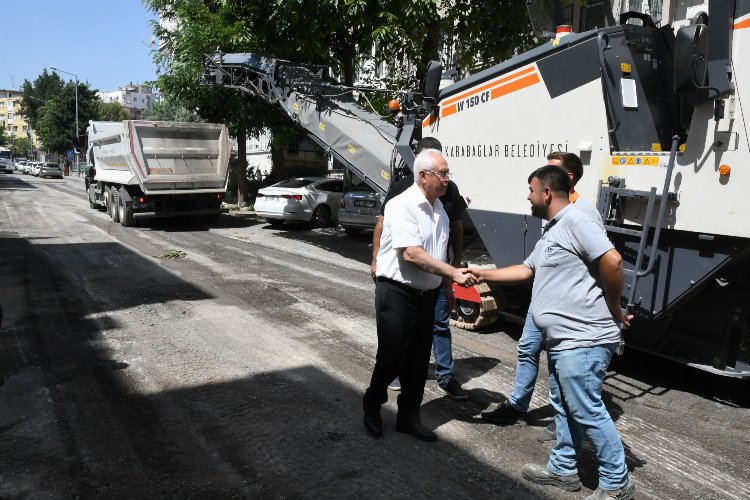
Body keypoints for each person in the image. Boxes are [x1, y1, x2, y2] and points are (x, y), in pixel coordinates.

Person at [471, 166, 635, 499]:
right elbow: (525, 269)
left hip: (584, 337)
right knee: (566, 407)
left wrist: (614, 307)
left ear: (546, 192)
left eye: (530, 190)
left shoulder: (576, 221)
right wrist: (481, 273)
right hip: (562, 340)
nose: (527, 197)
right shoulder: (553, 231)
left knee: (586, 408)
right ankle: (563, 470)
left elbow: (613, 262)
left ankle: (617, 483)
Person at [481, 151, 604, 443]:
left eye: (549, 171)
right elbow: (532, 265)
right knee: (527, 349)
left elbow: (606, 261)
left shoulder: (584, 214)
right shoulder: (553, 212)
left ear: (565, 178)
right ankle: (517, 406)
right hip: (542, 301)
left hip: (565, 307)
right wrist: (482, 274)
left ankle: (565, 423)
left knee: (559, 365)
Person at [362, 149, 477, 442]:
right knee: (392, 357)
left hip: (427, 293)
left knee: (417, 359)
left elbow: (440, 252)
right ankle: (372, 403)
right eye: (442, 173)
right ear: (423, 176)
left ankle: (408, 417)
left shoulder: (439, 209)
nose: (447, 180)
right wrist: (452, 274)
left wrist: (447, 285)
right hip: (396, 292)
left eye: (448, 173)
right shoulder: (402, 205)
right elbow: (411, 253)